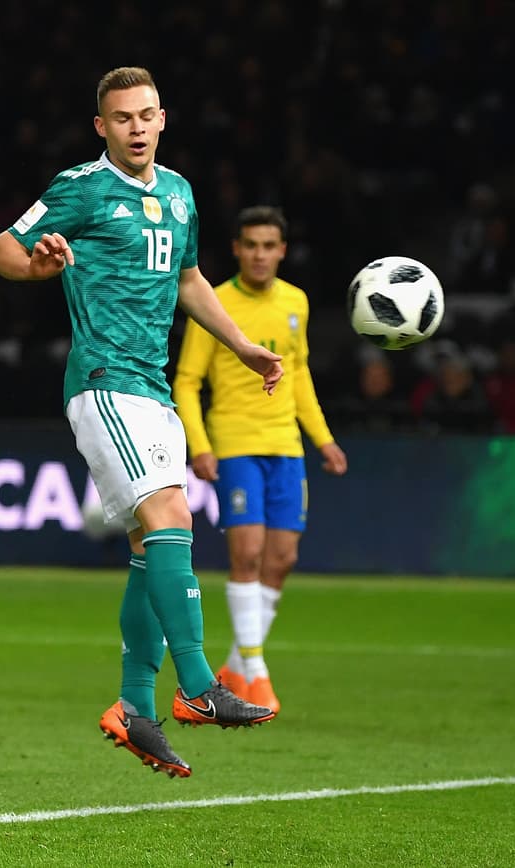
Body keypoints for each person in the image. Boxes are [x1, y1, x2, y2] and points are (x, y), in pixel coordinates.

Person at [0, 66, 282, 779]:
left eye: (146, 115)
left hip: (153, 387)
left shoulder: (179, 192)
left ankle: (133, 708)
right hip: (104, 381)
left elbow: (188, 280)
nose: (137, 127)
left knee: (152, 542)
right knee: (171, 512)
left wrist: (241, 345)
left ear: (162, 118)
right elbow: (1, 250)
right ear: (102, 127)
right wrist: (38, 267)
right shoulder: (81, 187)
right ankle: (200, 685)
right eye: (122, 118)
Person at [172, 205, 348, 716]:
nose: (259, 255)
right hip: (236, 443)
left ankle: (235, 666)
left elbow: (300, 375)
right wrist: (200, 445)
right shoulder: (214, 302)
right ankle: (257, 670)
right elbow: (187, 380)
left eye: (269, 245)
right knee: (247, 555)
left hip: (286, 446)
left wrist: (323, 439)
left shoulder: (296, 302)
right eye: (250, 245)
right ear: (236, 249)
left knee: (282, 560)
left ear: (283, 251)